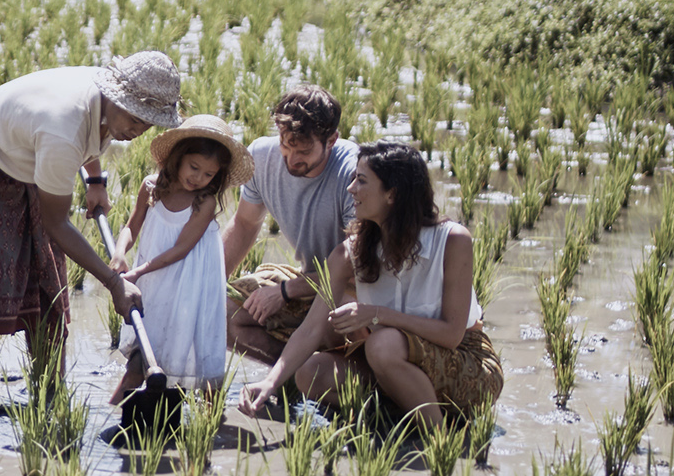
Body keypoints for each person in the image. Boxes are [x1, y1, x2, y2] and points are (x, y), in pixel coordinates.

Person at [0, 51, 183, 430]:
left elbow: (91, 133)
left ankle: (48, 401)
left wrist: (96, 180)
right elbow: (56, 222)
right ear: (115, 97)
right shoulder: (62, 126)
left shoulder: (100, 108)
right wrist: (114, 282)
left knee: (48, 287)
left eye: (147, 123)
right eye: (133, 118)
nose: (136, 130)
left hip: (30, 164)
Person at [238, 140, 504, 426]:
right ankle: (400, 413)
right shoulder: (348, 254)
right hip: (390, 361)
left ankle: (438, 436)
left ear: (392, 194)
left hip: (466, 362)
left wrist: (378, 314)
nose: (351, 188)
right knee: (310, 373)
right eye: (353, 178)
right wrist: (270, 382)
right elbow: (312, 329)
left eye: (361, 181)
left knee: (382, 343)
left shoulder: (452, 240)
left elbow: (452, 334)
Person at [112, 115, 251, 404]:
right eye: (194, 167)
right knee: (143, 352)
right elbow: (131, 226)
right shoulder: (152, 187)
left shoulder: (204, 201)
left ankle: (212, 423)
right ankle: (114, 412)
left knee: (197, 345)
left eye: (209, 174)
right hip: (154, 279)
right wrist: (119, 253)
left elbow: (181, 250)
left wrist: (138, 272)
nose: (198, 178)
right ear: (178, 158)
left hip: (191, 283)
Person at [220, 84, 357, 368]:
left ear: (332, 140)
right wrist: (206, 284)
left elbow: (356, 268)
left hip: (352, 288)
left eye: (304, 151)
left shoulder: (353, 174)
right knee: (221, 312)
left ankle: (339, 381)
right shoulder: (261, 157)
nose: (292, 160)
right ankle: (290, 380)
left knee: (337, 317)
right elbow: (245, 224)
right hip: (306, 278)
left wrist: (284, 292)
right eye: (286, 145)